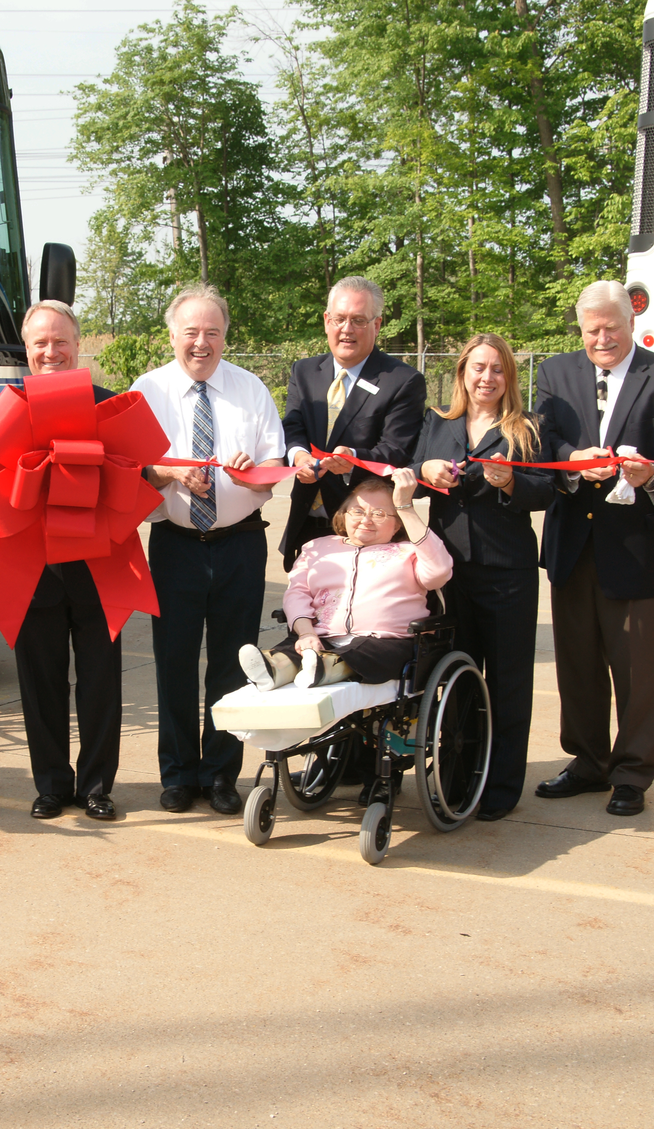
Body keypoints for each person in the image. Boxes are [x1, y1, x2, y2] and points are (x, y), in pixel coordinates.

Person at [530, 280, 654, 817]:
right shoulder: (557, 373)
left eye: (612, 327)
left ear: (632, 322)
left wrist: (653, 471)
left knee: (637, 672)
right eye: (592, 331)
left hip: (640, 552)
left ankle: (632, 773)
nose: (602, 338)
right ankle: (587, 762)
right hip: (574, 547)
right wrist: (571, 457)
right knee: (578, 666)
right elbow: (542, 443)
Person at [132, 284, 287, 816]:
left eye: (212, 332)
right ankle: (177, 773)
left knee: (232, 664)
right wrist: (169, 472)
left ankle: (221, 774)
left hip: (240, 544)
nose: (202, 343)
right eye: (191, 332)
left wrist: (252, 473)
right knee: (173, 662)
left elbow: (275, 469)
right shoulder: (146, 391)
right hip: (175, 545)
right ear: (172, 334)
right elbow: (131, 469)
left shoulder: (251, 390)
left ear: (226, 336)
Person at [406, 332, 552, 821]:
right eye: (477, 368)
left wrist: (510, 480)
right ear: (462, 373)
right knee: (456, 680)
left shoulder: (526, 428)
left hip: (507, 572)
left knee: (508, 682)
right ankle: (455, 777)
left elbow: (548, 489)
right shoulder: (438, 423)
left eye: (496, 369)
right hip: (450, 573)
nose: (486, 378)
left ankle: (502, 786)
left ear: (508, 376)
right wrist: (425, 469)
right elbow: (407, 473)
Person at [14, 300, 121, 821]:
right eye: (41, 343)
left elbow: (132, 482)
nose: (51, 351)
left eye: (61, 342)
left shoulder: (110, 407)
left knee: (101, 681)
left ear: (77, 346)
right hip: (33, 568)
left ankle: (97, 786)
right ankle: (52, 785)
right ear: (27, 349)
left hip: (100, 565)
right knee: (40, 682)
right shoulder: (7, 410)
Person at [242, 472, 452, 690]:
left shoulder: (410, 552)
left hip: (386, 642)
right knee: (291, 651)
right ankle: (274, 667)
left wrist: (406, 508)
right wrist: (306, 633)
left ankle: (325, 667)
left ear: (397, 524)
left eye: (380, 514)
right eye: (357, 511)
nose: (366, 520)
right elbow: (297, 593)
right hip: (323, 637)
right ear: (343, 515)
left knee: (358, 653)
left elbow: (440, 572)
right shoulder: (317, 548)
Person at [277, 276, 426, 570]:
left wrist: (355, 459)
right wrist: (299, 456)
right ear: (326, 321)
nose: (347, 329)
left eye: (358, 320)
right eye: (340, 319)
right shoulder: (304, 371)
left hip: (366, 530)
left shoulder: (403, 381)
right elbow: (293, 426)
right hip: (305, 524)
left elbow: (397, 450)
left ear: (377, 325)